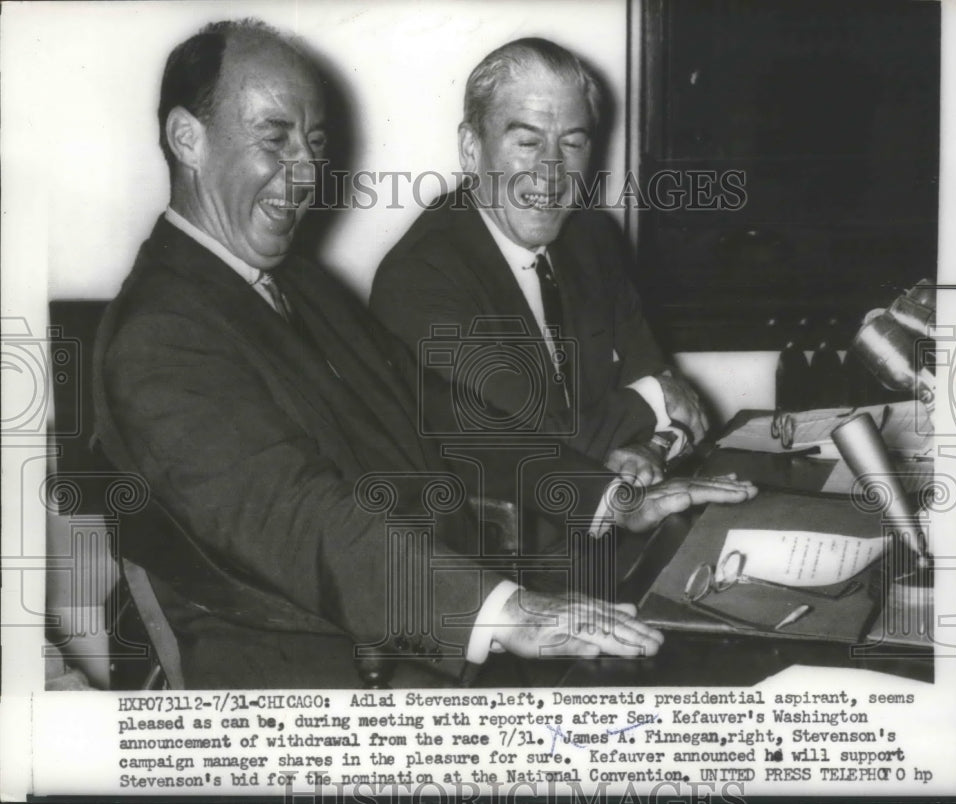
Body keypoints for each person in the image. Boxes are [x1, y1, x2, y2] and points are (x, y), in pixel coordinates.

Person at [93, 20, 756, 688]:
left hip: (431, 617)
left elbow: (442, 415)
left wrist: (612, 501)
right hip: (332, 675)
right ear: (189, 139)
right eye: (276, 136)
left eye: (315, 142)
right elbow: (305, 521)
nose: (306, 170)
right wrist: (505, 614)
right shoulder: (161, 334)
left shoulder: (294, 280)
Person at [371, 38, 709, 488]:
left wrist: (650, 449)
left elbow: (673, 402)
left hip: (620, 513)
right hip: (498, 546)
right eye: (528, 142)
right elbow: (543, 443)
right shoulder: (420, 275)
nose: (552, 171)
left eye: (572, 144)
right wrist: (657, 397)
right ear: (472, 149)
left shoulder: (593, 238)